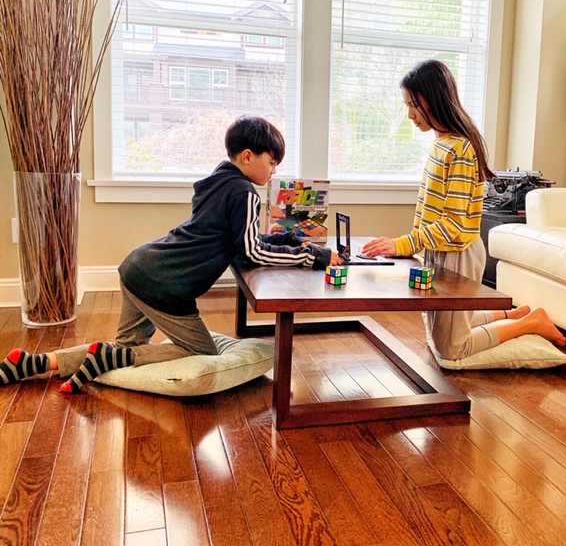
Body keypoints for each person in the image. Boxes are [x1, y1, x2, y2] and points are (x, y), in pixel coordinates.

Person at [0, 115, 341, 392]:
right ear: (249, 156)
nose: (274, 172)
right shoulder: (245, 193)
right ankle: (98, 359)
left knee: (124, 351)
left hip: (139, 267)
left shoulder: (218, 182)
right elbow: (251, 251)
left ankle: (36, 363)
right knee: (201, 351)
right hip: (166, 286)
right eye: (272, 162)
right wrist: (313, 257)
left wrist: (291, 241)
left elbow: (240, 239)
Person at [361, 60, 566, 361]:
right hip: (436, 249)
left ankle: (528, 323)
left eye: (413, 105)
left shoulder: (461, 149)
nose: (409, 115)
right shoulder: (441, 143)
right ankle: (513, 313)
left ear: (433, 99)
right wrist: (412, 247)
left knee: (452, 349)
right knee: (437, 333)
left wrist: (403, 243)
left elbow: (455, 224)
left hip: (457, 253)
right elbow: (430, 211)